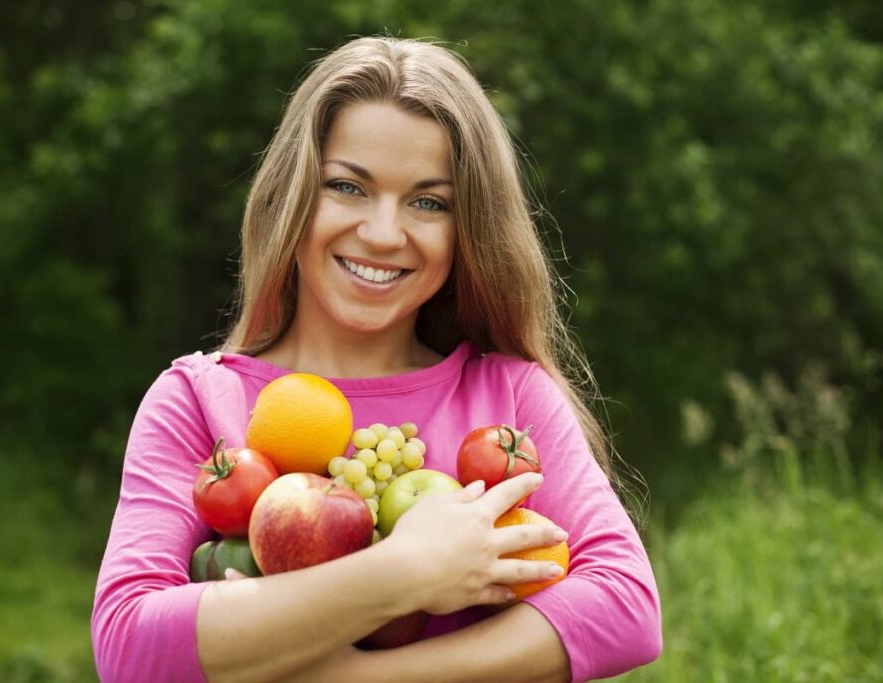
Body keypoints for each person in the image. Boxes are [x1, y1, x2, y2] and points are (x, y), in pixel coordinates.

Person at [92, 36, 661, 682]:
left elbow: (626, 605)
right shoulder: (196, 401)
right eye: (348, 187)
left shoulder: (512, 399)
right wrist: (402, 571)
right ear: (293, 196)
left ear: (466, 228)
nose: (385, 233)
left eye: (428, 201)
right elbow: (128, 645)